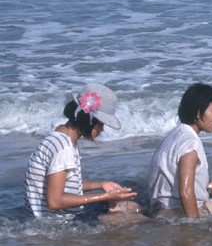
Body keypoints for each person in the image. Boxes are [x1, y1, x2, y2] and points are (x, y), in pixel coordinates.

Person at [25, 83, 139, 219]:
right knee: (131, 215)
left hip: (53, 216)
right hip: (58, 222)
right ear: (88, 120)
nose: (102, 129)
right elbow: (54, 202)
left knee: (129, 208)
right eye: (100, 124)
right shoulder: (63, 149)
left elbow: (64, 186)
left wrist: (102, 185)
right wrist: (106, 196)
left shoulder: (58, 138)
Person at [147, 83, 212, 218]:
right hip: (175, 211)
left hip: (160, 206)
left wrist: (208, 187)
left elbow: (175, 178)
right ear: (198, 113)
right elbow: (185, 193)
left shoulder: (176, 133)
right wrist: (194, 227)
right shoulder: (190, 144)